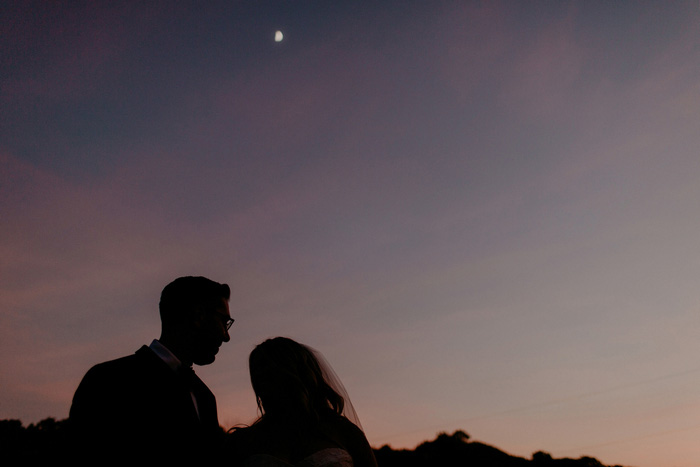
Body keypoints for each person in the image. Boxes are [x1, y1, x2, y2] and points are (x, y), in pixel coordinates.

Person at [69, 276, 233, 463]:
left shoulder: (205, 397)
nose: (226, 336)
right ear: (198, 316)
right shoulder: (106, 380)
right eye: (224, 321)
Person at [226, 337, 378, 467]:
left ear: (298, 377)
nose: (265, 386)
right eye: (260, 377)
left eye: (273, 376)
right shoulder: (244, 441)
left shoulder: (344, 432)